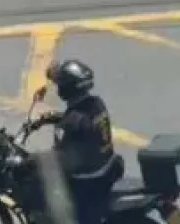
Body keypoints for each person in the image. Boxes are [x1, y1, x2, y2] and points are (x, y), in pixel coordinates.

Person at [27, 60, 120, 224]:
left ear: (67, 89)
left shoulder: (72, 122)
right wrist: (51, 117)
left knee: (42, 189)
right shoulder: (95, 104)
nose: (58, 87)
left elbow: (63, 158)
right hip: (104, 166)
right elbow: (80, 123)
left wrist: (34, 160)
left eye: (60, 84)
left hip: (87, 178)